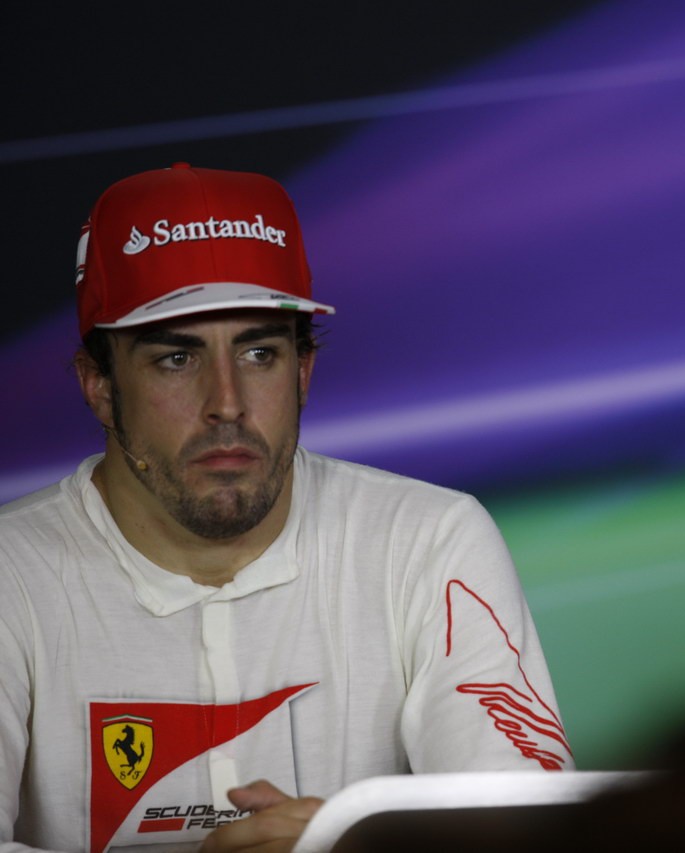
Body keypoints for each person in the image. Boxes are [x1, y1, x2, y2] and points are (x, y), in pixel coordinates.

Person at [0, 163, 573, 853]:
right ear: (99, 384)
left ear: (303, 371)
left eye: (260, 352)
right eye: (177, 358)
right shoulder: (13, 575)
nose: (228, 401)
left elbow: (531, 833)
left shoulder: (428, 541)